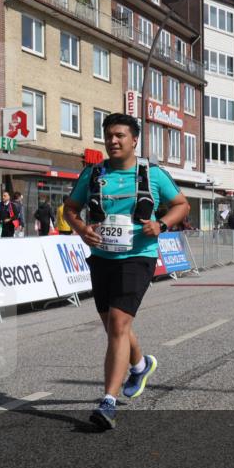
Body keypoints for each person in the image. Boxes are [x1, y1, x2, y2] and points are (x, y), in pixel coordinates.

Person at [64, 113, 189, 430]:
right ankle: (140, 364)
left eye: (119, 135)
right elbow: (70, 209)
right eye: (108, 136)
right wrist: (81, 229)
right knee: (113, 326)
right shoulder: (93, 174)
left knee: (119, 323)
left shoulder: (152, 174)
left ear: (134, 140)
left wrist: (160, 224)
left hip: (138, 256)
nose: (113, 141)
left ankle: (108, 401)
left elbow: (182, 205)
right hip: (102, 257)